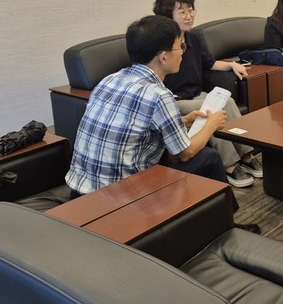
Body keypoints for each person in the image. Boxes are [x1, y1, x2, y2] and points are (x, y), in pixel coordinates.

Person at [65, 15, 229, 195]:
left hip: (79, 192)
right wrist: (211, 124)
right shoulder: (158, 95)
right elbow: (185, 153)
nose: (183, 52)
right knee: (209, 157)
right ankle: (223, 213)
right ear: (164, 57)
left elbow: (132, 125)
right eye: (180, 46)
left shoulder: (109, 80)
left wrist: (182, 120)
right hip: (120, 198)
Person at [153, 0, 261, 188]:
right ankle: (229, 165)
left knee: (226, 99)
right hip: (176, 100)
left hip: (197, 93)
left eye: (191, 10)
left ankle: (247, 155)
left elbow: (209, 63)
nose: (189, 16)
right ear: (167, 18)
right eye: (182, 12)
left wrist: (232, 65)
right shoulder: (162, 47)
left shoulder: (193, 38)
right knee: (215, 107)